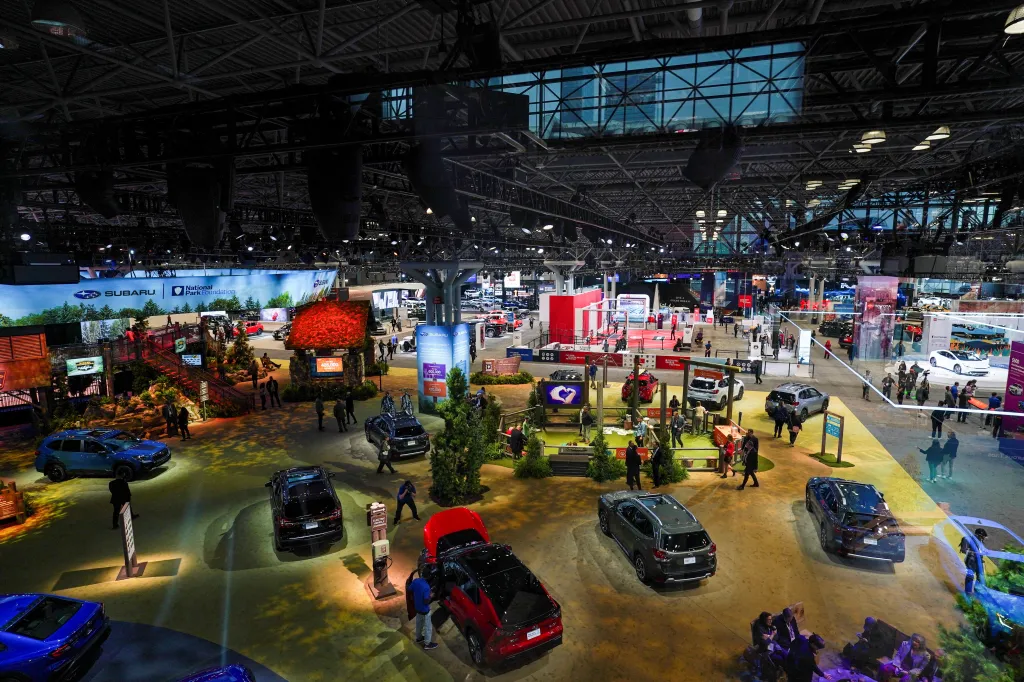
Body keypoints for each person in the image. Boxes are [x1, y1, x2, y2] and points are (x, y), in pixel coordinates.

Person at [410, 575, 438, 650]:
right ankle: (427, 644)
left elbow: (409, 589)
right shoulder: (426, 587)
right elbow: (426, 602)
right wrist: (431, 596)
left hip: (417, 608)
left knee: (419, 623)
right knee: (428, 627)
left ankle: (419, 638)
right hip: (425, 610)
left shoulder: (416, 581)